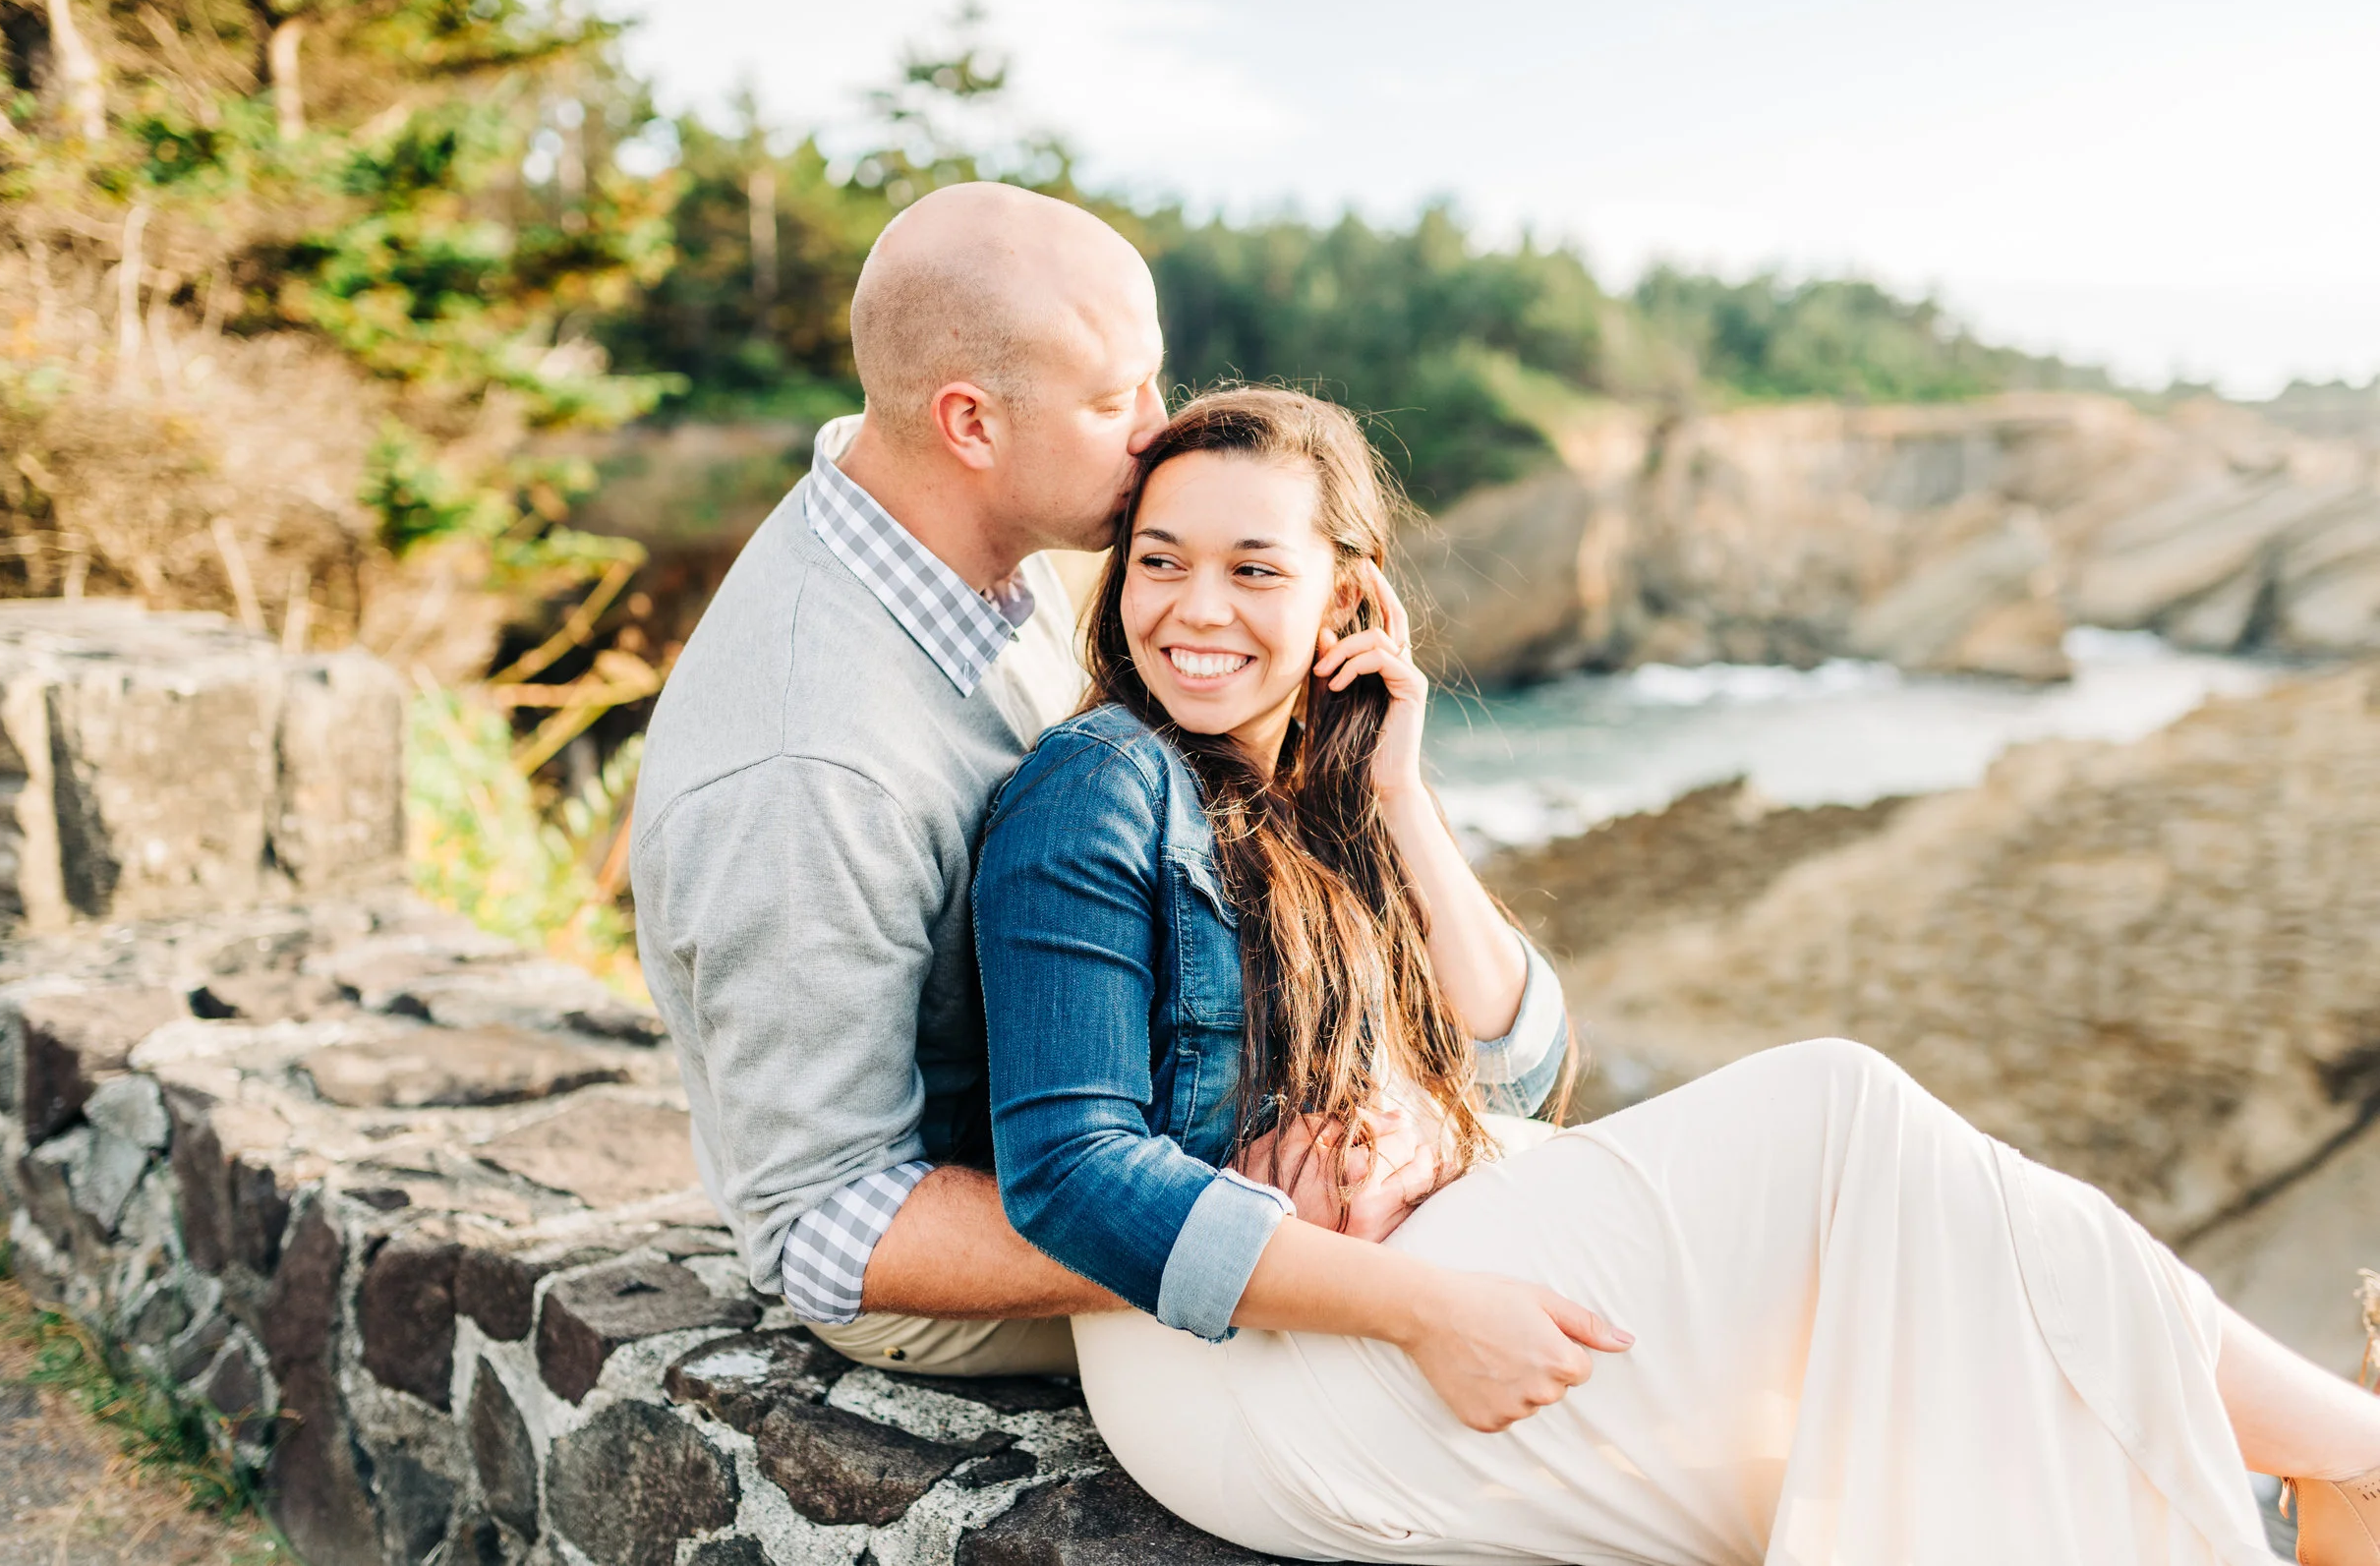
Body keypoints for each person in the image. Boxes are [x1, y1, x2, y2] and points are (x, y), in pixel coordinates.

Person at [972, 383, 2380, 1564]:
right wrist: (1425, 1305)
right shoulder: (1103, 783)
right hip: (1236, 1363)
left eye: (1251, 566)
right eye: (1159, 560)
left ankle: (2341, 1474)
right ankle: (2352, 1462)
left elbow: (1523, 1061)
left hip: (1371, 1290)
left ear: (1352, 595)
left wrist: (1401, 798)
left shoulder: (1333, 797)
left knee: (1912, 1388)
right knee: (1845, 1117)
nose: (1192, 608)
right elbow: (1070, 1167)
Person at [630, 181, 1160, 1376]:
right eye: (1117, 398)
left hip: (1091, 1139)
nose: (1158, 428)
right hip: (954, 1254)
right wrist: (1234, 1229)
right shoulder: (811, 765)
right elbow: (822, 1222)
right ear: (969, 424)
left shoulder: (968, 549)